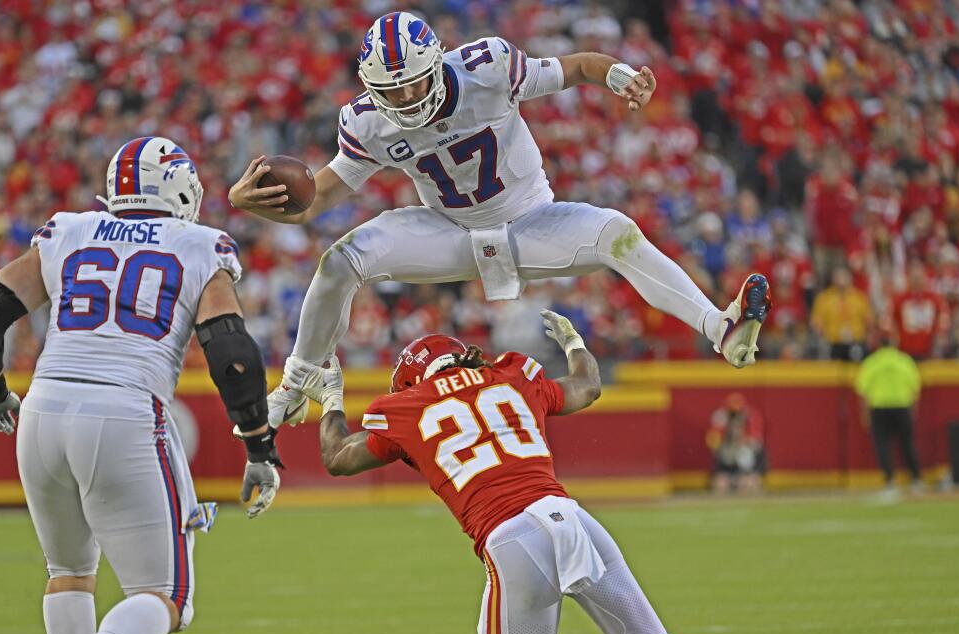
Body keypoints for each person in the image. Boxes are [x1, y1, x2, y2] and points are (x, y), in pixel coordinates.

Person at [294, 312, 811, 634]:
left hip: (511, 537)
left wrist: (331, 400)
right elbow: (587, 386)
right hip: (571, 518)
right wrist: (576, 344)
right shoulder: (512, 374)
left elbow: (338, 458)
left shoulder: (405, 408)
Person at [227, 11, 772, 428]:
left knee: (618, 234)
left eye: (413, 83)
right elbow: (314, 201)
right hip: (448, 232)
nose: (405, 97)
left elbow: (578, 66)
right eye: (390, 90)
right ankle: (299, 380)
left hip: (532, 221)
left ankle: (719, 329)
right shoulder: (369, 123)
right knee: (340, 260)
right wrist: (250, 202)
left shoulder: (487, 69)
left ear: (436, 64)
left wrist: (620, 75)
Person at [0, 137, 282, 634]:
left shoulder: (70, 230)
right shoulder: (200, 245)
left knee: (69, 572)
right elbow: (232, 354)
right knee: (167, 597)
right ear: (183, 192)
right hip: (127, 413)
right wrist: (259, 444)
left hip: (44, 412)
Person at [855, 336, 923, 493]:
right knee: (907, 443)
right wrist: (913, 411)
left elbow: (862, 391)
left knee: (882, 445)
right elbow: (915, 389)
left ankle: (890, 479)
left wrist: (864, 414)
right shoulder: (904, 361)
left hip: (879, 407)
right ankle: (916, 478)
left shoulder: (872, 362)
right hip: (902, 405)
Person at [706, 393, 766, 493]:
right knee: (720, 483)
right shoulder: (721, 431)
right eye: (733, 418)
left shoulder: (751, 429)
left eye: (738, 424)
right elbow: (717, 454)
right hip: (728, 471)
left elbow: (756, 460)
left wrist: (743, 442)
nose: (735, 428)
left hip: (746, 472)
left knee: (749, 482)